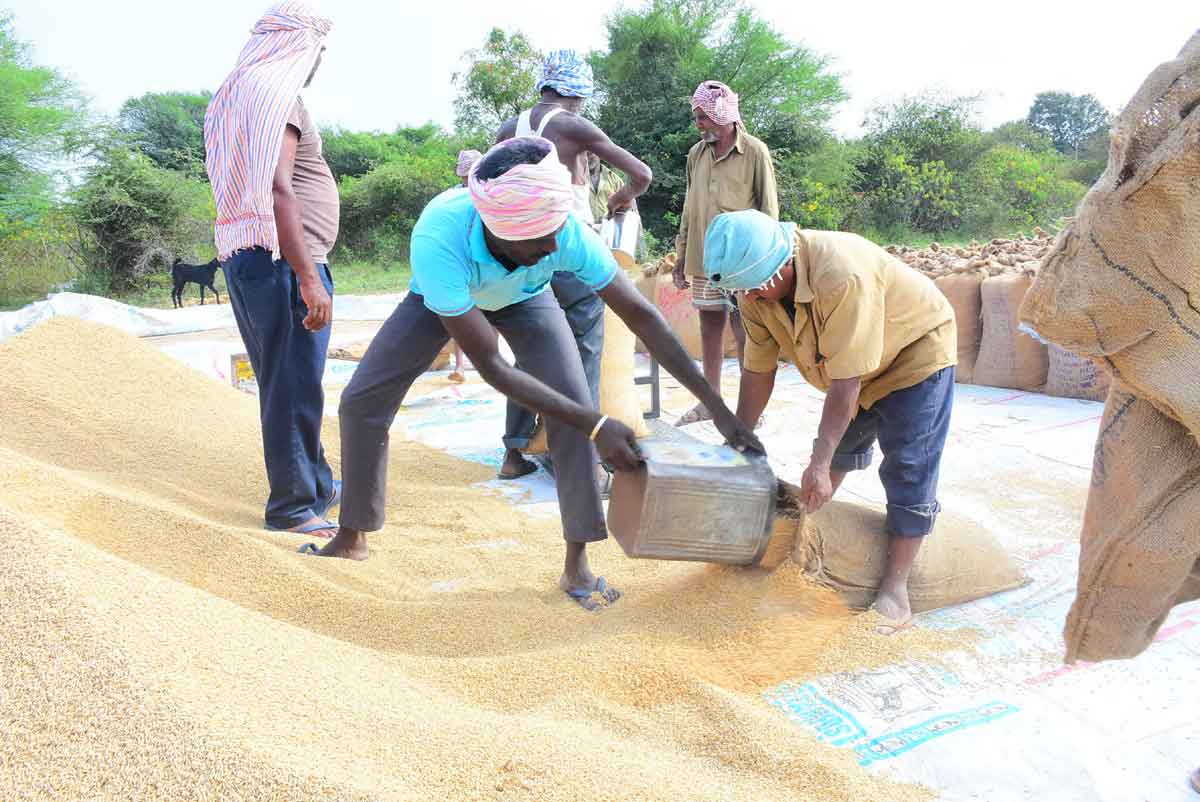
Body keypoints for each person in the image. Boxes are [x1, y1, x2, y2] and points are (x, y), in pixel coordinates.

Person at [307, 137, 762, 611]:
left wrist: (718, 410)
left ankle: (577, 565)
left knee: (572, 410)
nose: (552, 247)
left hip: (525, 297)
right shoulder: (440, 239)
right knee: (361, 403)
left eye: (555, 233)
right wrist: (599, 424)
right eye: (540, 239)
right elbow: (494, 368)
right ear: (501, 229)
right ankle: (352, 535)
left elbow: (643, 316)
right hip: (444, 301)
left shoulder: (563, 235)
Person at [703, 209, 957, 625]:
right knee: (840, 450)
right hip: (853, 369)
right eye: (740, 292)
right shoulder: (753, 293)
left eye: (752, 289)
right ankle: (805, 531)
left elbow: (846, 385)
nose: (748, 299)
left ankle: (896, 589)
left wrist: (818, 463)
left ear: (780, 266)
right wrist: (736, 441)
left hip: (913, 354)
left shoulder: (841, 274)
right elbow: (757, 371)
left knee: (909, 465)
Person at [204, 1, 339, 537]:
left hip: (252, 258)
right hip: (283, 262)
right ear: (295, 45)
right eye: (317, 50)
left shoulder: (233, 95)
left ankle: (317, 485)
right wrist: (308, 277)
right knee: (292, 384)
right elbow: (278, 188)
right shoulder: (274, 95)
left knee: (290, 381)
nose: (318, 61)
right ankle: (291, 506)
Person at [494, 49, 653, 483]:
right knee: (583, 350)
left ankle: (514, 452)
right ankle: (579, 461)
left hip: (521, 254)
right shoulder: (573, 126)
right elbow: (641, 175)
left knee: (529, 350)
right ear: (577, 93)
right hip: (569, 252)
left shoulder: (510, 128)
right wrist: (622, 199)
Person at [673, 80, 779, 427]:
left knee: (745, 329)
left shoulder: (754, 152)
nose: (699, 124)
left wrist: (767, 260)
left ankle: (752, 408)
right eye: (697, 118)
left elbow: (769, 210)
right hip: (705, 258)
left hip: (742, 263)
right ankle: (710, 402)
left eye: (702, 117)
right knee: (710, 326)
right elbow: (690, 208)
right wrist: (681, 255)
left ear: (724, 116)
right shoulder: (695, 154)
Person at [447, 149, 484, 383]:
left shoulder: (490, 194)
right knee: (460, 316)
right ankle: (460, 366)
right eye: (463, 175)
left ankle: (490, 361)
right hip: (462, 265)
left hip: (486, 265)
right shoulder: (451, 198)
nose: (466, 178)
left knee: (492, 315)